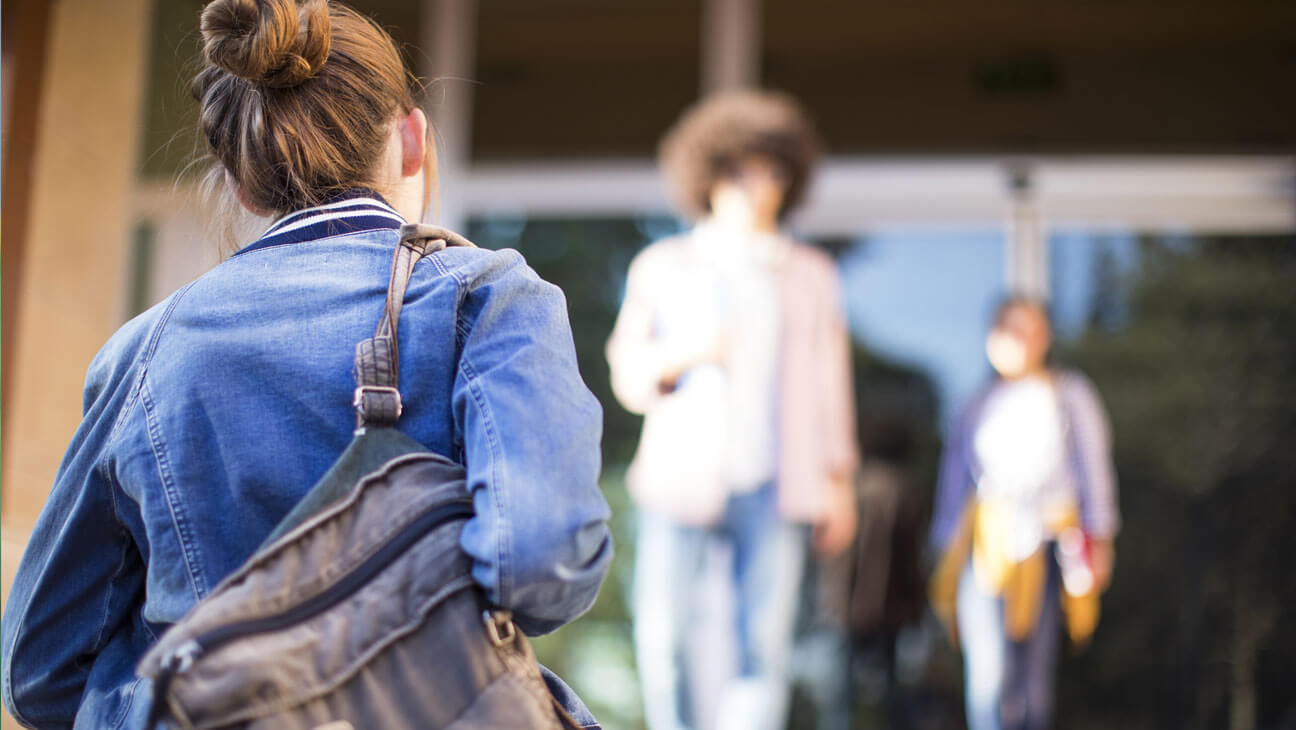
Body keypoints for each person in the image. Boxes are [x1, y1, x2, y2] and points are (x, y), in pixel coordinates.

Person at [0, 1, 612, 727]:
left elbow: (40, 670)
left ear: (238, 183)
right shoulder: (487, 298)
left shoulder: (142, 349)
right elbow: (542, 565)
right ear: (412, 139)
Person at [606, 91, 858, 730]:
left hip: (777, 483)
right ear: (708, 176)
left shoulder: (810, 273)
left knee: (763, 650)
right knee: (662, 642)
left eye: (771, 173)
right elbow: (628, 372)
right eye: (739, 171)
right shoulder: (663, 265)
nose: (756, 188)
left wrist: (840, 482)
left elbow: (831, 386)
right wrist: (683, 355)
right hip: (679, 481)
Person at [929, 296, 1119, 730]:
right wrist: (945, 554)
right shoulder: (975, 404)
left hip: (1049, 546)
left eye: (1026, 328)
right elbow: (954, 486)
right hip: (987, 548)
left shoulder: (1069, 395)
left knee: (1033, 679)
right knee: (988, 674)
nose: (1015, 339)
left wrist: (1100, 539)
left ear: (1044, 336)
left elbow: (1094, 471)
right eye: (1006, 328)